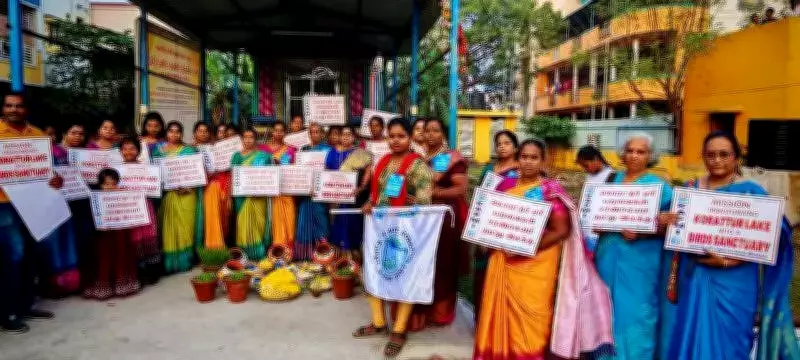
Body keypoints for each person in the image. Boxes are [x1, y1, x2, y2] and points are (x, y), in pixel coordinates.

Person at [664, 131, 800, 359]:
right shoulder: (690, 190)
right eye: (711, 155)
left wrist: (730, 261)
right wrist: (662, 220)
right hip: (696, 278)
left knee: (732, 344)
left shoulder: (751, 192)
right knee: (691, 336)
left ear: (736, 158)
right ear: (704, 157)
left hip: (736, 284)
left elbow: (774, 237)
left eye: (724, 155)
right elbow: (666, 226)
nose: (717, 160)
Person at [473, 139, 613, 360]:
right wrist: (487, 239)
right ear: (517, 159)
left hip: (536, 264)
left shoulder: (550, 190)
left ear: (543, 161)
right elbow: (490, 220)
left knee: (534, 319)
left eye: (534, 157)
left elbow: (561, 230)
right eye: (524, 157)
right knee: (500, 315)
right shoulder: (504, 186)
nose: (528, 162)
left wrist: (524, 247)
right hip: (502, 260)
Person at [352, 118, 433, 358]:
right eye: (391, 136)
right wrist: (369, 203)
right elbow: (378, 195)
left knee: (403, 275)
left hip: (405, 232)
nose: (395, 140)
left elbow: (425, 203)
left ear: (410, 138)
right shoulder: (383, 162)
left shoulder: (418, 166)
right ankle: (378, 323)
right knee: (373, 270)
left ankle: (399, 330)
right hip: (380, 228)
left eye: (400, 136)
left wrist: (413, 202)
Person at [593, 133, 673, 360]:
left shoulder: (660, 187)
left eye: (641, 152)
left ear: (651, 156)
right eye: (630, 150)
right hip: (608, 256)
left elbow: (673, 226)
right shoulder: (611, 181)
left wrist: (644, 231)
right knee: (605, 310)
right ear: (622, 153)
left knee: (638, 312)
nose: (635, 156)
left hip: (641, 261)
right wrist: (597, 223)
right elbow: (594, 215)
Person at [0, 92, 63, 333]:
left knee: (31, 254)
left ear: (26, 109)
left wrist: (55, 179)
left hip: (34, 204)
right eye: (9, 105)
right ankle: (8, 312)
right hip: (4, 205)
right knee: (11, 257)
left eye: (18, 106)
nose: (13, 109)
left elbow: (47, 170)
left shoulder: (37, 136)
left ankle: (26, 305)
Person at [402, 118, 468, 331]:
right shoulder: (418, 157)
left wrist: (434, 193)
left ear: (443, 135)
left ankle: (440, 313)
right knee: (420, 263)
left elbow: (460, 189)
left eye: (435, 131)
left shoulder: (450, 158)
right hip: (420, 218)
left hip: (443, 217)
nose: (429, 135)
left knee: (442, 265)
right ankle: (419, 312)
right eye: (426, 131)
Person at [474, 129, 519, 317]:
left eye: (506, 143)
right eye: (498, 143)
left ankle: (501, 321)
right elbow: (479, 196)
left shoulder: (520, 170)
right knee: (483, 273)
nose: (501, 146)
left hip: (508, 228)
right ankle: (482, 320)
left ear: (516, 147)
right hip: (485, 225)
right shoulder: (488, 169)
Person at [38, 122, 84, 297]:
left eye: (52, 134)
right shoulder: (34, 154)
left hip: (66, 201)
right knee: (51, 244)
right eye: (46, 134)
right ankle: (53, 284)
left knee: (67, 240)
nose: (51, 138)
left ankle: (69, 282)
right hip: (45, 205)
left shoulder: (62, 152)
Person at [152, 121, 204, 273]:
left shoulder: (189, 151)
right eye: (171, 131)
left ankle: (185, 261)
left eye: (177, 132)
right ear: (166, 133)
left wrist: (188, 186)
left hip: (187, 195)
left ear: (182, 134)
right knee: (168, 229)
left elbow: (196, 173)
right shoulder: (158, 153)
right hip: (168, 195)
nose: (174, 134)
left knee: (186, 229)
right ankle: (170, 262)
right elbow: (156, 175)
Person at [82, 169, 142, 300]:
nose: (110, 187)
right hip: (103, 237)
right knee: (104, 259)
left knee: (121, 256)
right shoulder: (95, 198)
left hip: (120, 235)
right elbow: (90, 218)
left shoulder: (122, 196)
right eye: (106, 184)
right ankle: (103, 287)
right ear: (100, 184)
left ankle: (122, 286)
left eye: (113, 184)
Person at [326, 126, 372, 259]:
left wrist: (362, 187)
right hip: (334, 195)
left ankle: (353, 257)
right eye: (343, 134)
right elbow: (326, 172)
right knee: (336, 224)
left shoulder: (361, 153)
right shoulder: (331, 152)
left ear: (354, 137)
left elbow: (368, 171)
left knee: (351, 224)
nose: (345, 137)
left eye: (349, 134)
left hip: (354, 196)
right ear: (339, 136)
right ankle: (339, 258)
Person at [119, 138, 161, 285]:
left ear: (138, 151)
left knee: (149, 235)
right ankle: (139, 271)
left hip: (146, 204)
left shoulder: (147, 168)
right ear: (120, 151)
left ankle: (153, 270)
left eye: (132, 148)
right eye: (125, 148)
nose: (129, 152)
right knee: (134, 238)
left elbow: (155, 185)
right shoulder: (116, 169)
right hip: (128, 208)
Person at [231, 128, 273, 260]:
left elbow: (268, 177)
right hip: (242, 197)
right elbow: (233, 177)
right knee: (242, 224)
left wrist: (259, 189)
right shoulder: (236, 156)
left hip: (259, 197)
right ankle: (245, 254)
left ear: (255, 140)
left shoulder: (264, 156)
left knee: (259, 224)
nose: (248, 140)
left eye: (251, 137)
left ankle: (259, 253)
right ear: (242, 139)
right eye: (245, 137)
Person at [295, 122, 331, 260]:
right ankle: (306, 255)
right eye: (312, 132)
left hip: (320, 192)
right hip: (306, 193)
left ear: (322, 134)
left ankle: (323, 254)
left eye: (317, 131)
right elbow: (298, 171)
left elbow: (331, 170)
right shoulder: (303, 150)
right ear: (309, 134)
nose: (315, 134)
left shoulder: (328, 150)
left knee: (321, 220)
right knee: (304, 222)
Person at [260, 122, 297, 250]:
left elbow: (296, 168)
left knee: (290, 216)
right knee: (273, 218)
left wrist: (280, 163)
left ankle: (288, 248)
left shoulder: (291, 149)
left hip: (286, 189)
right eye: (276, 130)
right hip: (270, 191)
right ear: (272, 132)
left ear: (285, 133)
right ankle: (276, 248)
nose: (278, 133)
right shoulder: (262, 149)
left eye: (281, 130)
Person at [199, 122, 233, 250]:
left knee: (226, 216)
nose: (223, 134)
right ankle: (214, 246)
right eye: (220, 131)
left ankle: (226, 244)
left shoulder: (235, 150)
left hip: (228, 185)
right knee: (213, 215)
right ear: (215, 134)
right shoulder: (207, 149)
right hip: (212, 186)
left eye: (225, 132)